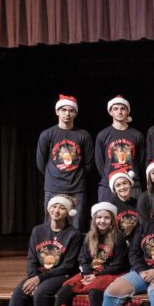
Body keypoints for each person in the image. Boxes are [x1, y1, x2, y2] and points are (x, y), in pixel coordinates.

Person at [0, 196, 82, 306]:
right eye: (54, 207)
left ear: (68, 212)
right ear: (48, 209)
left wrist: (39, 279)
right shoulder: (38, 230)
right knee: (20, 290)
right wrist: (33, 277)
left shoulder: (74, 234)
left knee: (41, 292)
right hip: (40, 274)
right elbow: (31, 260)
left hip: (61, 275)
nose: (56, 211)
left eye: (61, 208)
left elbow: (69, 265)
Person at [52, 202, 129, 306]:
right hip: (91, 273)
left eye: (106, 218)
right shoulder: (88, 237)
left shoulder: (118, 238)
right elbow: (83, 259)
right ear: (94, 219)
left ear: (112, 220)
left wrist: (96, 276)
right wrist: (87, 273)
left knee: (95, 290)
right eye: (99, 217)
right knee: (65, 289)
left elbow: (118, 265)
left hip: (111, 273)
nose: (102, 221)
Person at [36, 95, 94, 225]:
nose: (67, 113)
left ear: (75, 113)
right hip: (53, 187)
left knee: (76, 224)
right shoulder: (47, 134)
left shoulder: (83, 135)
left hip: (76, 188)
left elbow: (89, 163)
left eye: (71, 110)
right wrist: (54, 177)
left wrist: (77, 177)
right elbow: (41, 162)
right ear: (57, 111)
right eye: (63, 110)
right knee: (52, 224)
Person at [94, 95, 144, 202]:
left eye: (123, 108)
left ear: (128, 111)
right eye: (116, 109)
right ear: (110, 112)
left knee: (133, 218)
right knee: (107, 217)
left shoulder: (137, 135)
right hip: (108, 186)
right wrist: (109, 178)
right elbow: (100, 162)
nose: (119, 112)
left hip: (133, 185)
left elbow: (140, 160)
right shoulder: (103, 135)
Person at [107, 168, 141, 239]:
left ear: (130, 184)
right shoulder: (111, 206)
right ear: (114, 189)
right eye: (118, 185)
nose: (122, 187)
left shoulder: (138, 203)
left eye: (125, 183)